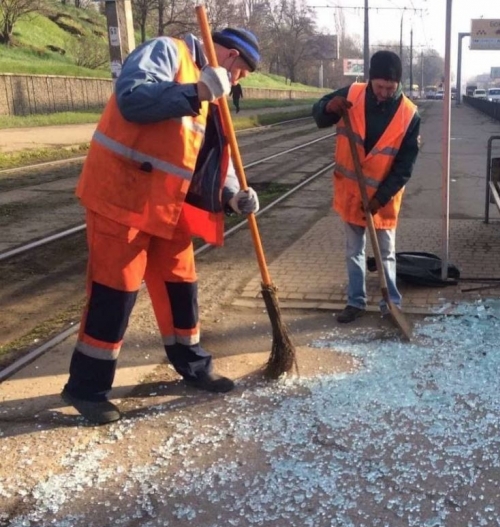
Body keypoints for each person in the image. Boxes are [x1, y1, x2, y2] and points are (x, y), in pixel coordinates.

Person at [61, 27, 263, 425]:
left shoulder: (211, 85)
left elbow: (207, 154)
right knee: (113, 294)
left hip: (167, 209)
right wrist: (195, 93)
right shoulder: (167, 52)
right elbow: (132, 99)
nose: (235, 82)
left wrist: (233, 194)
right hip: (122, 199)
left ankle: (193, 364)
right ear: (232, 58)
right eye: (240, 74)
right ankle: (86, 388)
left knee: (181, 286)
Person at [312, 51, 421, 324]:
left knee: (386, 253)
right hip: (352, 191)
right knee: (354, 251)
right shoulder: (353, 93)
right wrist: (329, 107)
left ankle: (390, 304)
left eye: (390, 88)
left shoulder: (409, 114)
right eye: (380, 86)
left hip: (383, 199)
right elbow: (318, 112)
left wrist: (379, 198)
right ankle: (355, 302)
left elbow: (404, 167)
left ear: (399, 84)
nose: (384, 93)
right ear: (371, 79)